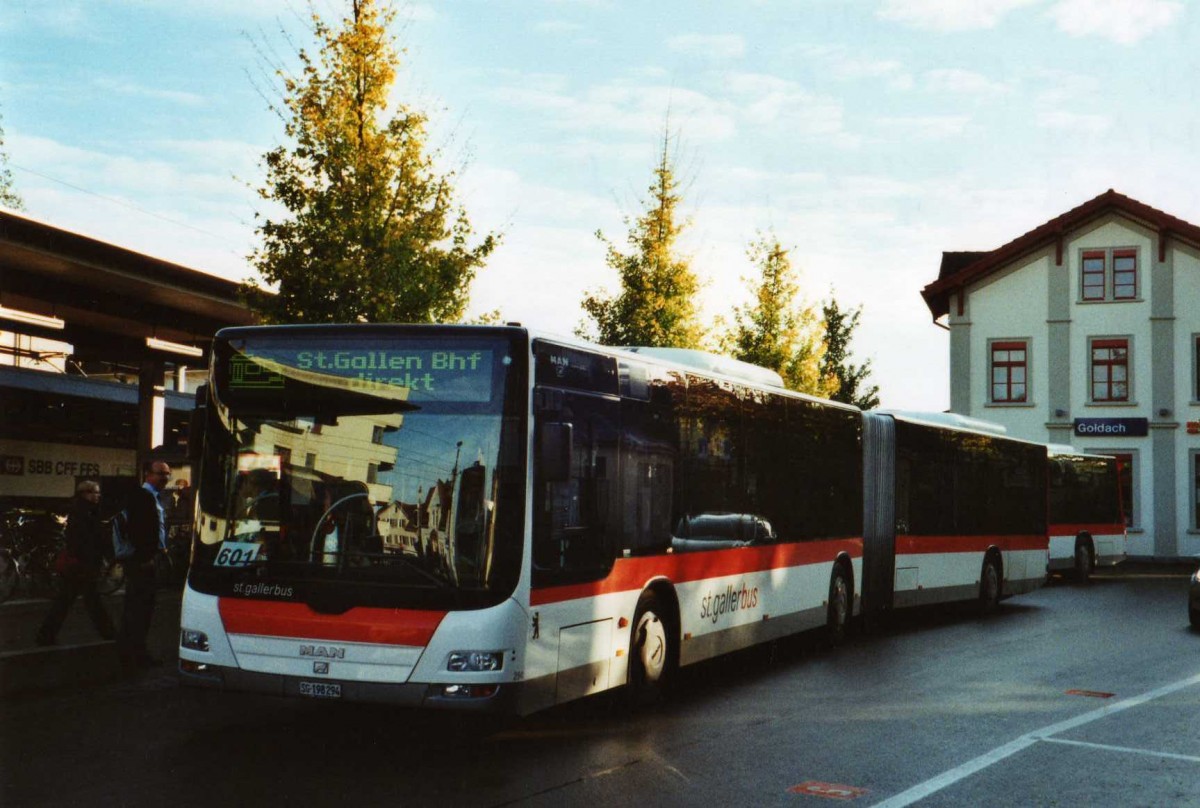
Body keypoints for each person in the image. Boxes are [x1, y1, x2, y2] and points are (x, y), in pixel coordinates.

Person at [36, 481, 116, 646]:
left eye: (98, 492)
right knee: (88, 601)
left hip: (81, 563)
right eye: (94, 492)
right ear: (84, 493)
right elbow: (84, 538)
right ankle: (109, 633)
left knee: (71, 600)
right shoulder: (83, 512)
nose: (97, 496)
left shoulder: (83, 510)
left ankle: (46, 635)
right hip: (82, 563)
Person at [117, 459, 171, 670]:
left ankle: (132, 652)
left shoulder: (151, 497)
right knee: (140, 610)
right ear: (148, 474)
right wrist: (146, 557)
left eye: (167, 474)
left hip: (145, 559)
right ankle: (135, 655)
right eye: (160, 473)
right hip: (143, 562)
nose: (165, 478)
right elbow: (139, 530)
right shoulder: (143, 497)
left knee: (139, 608)